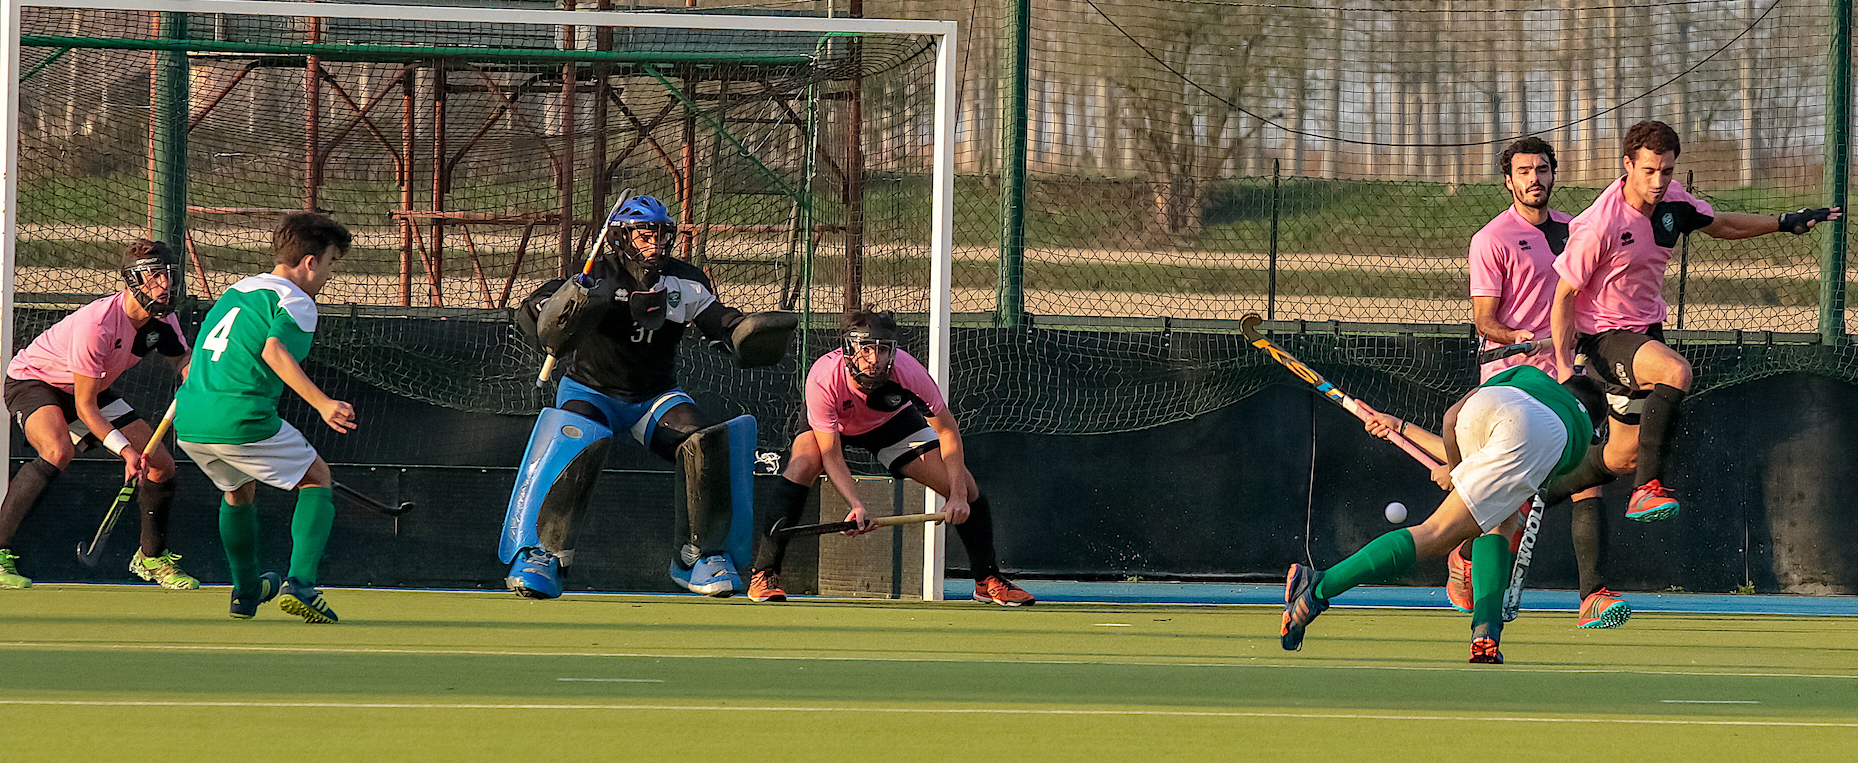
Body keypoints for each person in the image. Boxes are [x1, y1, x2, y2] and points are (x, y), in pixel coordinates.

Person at [499, 195, 796, 600]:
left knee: (705, 439)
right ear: (621, 237)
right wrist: (548, 307)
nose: (654, 243)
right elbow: (537, 312)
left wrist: (744, 330)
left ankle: (698, 558)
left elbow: (719, 321)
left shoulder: (686, 281)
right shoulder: (594, 275)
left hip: (654, 398)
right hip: (590, 392)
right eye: (644, 235)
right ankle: (542, 555)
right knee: (574, 437)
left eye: (660, 234)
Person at [1550, 120, 1840, 524]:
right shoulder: (1601, 224)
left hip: (1646, 330)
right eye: (1648, 170)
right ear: (1627, 164)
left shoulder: (1673, 201)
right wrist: (1565, 367)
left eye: (1666, 171)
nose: (1658, 181)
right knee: (1675, 371)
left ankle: (1535, 498)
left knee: (1620, 456)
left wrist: (1782, 221)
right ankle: (1646, 489)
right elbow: (1563, 296)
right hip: (1603, 336)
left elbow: (1720, 224)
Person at [1279, 365, 1606, 663]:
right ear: (1594, 426)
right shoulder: (1575, 441)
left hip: (1488, 408)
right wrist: (1454, 469)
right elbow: (1517, 457)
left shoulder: (1530, 378)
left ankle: (1486, 633)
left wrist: (1404, 429)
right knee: (1436, 534)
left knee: (1499, 520)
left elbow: (1453, 419)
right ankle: (1319, 585)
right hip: (1534, 439)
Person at [746, 309, 1034, 607]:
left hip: (890, 423)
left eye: (883, 350)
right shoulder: (824, 377)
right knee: (804, 463)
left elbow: (948, 432)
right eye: (866, 349)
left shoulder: (909, 372)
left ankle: (987, 581)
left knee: (967, 486)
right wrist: (856, 505)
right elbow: (830, 453)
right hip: (836, 426)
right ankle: (764, 574)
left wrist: (958, 496)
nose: (875, 359)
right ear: (848, 349)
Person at [1464, 137, 1625, 629]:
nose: (1535, 178)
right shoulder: (1490, 239)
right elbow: (1483, 319)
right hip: (1514, 383)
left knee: (1588, 476)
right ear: (1509, 180)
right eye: (1524, 171)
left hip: (1569, 378)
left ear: (1554, 175)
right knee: (1503, 499)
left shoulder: (1577, 232)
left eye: (1543, 169)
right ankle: (1464, 555)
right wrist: (1517, 336)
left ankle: (1592, 595)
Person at [173, 213, 357, 622]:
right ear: (310, 262)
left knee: (238, 491)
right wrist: (323, 403)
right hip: (241, 418)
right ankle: (302, 585)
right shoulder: (296, 301)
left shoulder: (236, 292)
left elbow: (193, 362)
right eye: (330, 263)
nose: (328, 274)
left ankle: (247, 592)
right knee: (316, 478)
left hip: (191, 420)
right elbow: (275, 351)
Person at [1, 239, 197, 590]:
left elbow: (181, 359)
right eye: (154, 276)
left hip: (90, 388)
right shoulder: (98, 325)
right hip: (36, 382)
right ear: (133, 281)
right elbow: (85, 407)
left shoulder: (163, 320)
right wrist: (125, 451)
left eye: (169, 276)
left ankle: (150, 558)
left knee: (162, 465)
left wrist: (191, 372)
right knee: (58, 450)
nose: (164, 285)